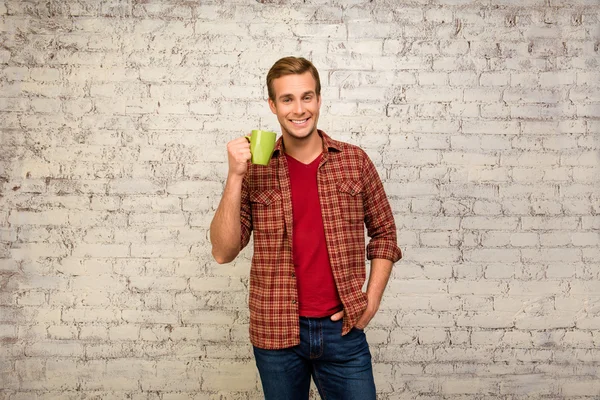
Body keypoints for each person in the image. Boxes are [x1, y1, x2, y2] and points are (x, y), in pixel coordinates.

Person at [209, 56, 402, 400]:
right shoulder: (256, 169)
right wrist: (235, 175)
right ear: (273, 105)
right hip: (277, 332)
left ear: (319, 99)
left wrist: (370, 302)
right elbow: (223, 252)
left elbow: (385, 233)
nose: (299, 109)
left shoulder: (354, 161)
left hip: (342, 331)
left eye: (307, 97)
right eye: (287, 99)